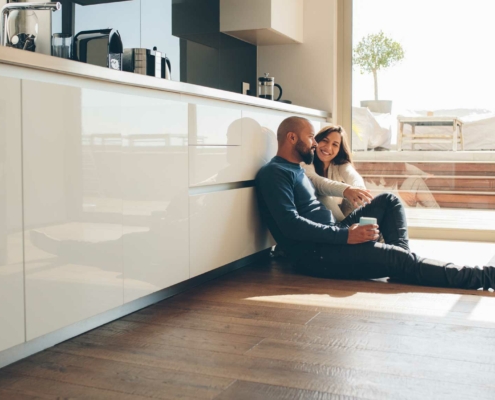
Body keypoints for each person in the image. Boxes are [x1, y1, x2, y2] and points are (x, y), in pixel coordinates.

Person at [255, 116, 494, 290]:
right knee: (399, 260)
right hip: (317, 255)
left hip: (333, 236)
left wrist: (344, 231)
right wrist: (346, 236)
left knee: (389, 200)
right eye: (311, 137)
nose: (315, 144)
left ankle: (400, 264)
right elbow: (290, 225)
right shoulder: (274, 173)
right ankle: (485, 278)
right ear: (292, 137)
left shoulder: (296, 168)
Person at [302, 125, 366, 222]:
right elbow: (315, 181)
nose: (328, 147)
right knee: (322, 195)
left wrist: (360, 190)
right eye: (325, 140)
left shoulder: (340, 164)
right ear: (317, 141)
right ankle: (346, 229)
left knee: (389, 198)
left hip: (341, 215)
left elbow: (353, 176)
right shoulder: (306, 161)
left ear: (339, 149)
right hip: (317, 218)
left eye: (335, 144)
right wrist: (346, 190)